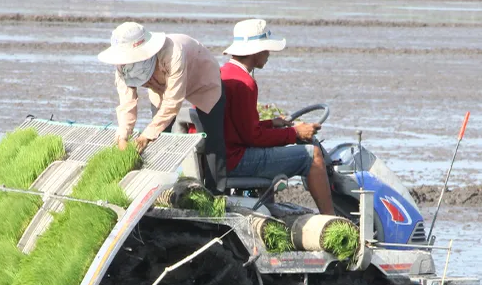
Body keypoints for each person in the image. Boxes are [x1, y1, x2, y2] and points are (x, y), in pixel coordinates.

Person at [220, 19, 334, 215]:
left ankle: (270, 208)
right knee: (312, 155)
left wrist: (271, 124)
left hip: (223, 156)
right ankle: (331, 219)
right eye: (267, 49)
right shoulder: (244, 83)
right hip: (236, 160)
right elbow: (252, 138)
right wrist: (295, 133)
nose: (269, 55)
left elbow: (237, 126)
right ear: (256, 51)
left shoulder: (224, 73)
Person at [98, 22, 226, 188]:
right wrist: (123, 137)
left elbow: (173, 101)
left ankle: (216, 193)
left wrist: (146, 135)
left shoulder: (173, 53)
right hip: (159, 85)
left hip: (201, 76)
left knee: (212, 138)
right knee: (158, 137)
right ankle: (157, 187)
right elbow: (126, 103)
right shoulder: (122, 65)